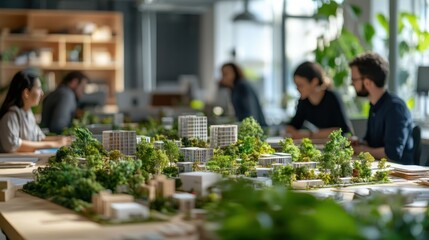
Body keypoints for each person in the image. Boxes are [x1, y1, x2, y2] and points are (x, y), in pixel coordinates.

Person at [349, 52, 413, 164]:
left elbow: (393, 153)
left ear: (367, 82)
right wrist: (360, 143)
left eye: (354, 80)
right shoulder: (374, 106)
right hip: (380, 169)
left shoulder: (395, 108)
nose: (352, 84)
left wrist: (361, 150)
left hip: (398, 175)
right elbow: (371, 143)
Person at [0, 71, 71, 153]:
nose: (42, 93)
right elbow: (12, 145)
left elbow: (39, 138)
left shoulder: (28, 113)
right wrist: (54, 144)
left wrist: (62, 139)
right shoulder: (10, 115)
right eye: (39, 88)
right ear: (26, 93)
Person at [286, 61, 352, 139]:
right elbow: (293, 125)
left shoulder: (332, 97)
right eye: (296, 85)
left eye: (300, 85)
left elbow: (343, 130)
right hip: (320, 145)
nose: (297, 89)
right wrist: (292, 132)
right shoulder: (304, 101)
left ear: (314, 82)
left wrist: (309, 135)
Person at [219, 62, 267, 126]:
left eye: (226, 74)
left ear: (235, 73)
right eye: (222, 74)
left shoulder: (242, 86)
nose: (223, 78)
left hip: (255, 129)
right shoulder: (234, 89)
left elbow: (251, 112)